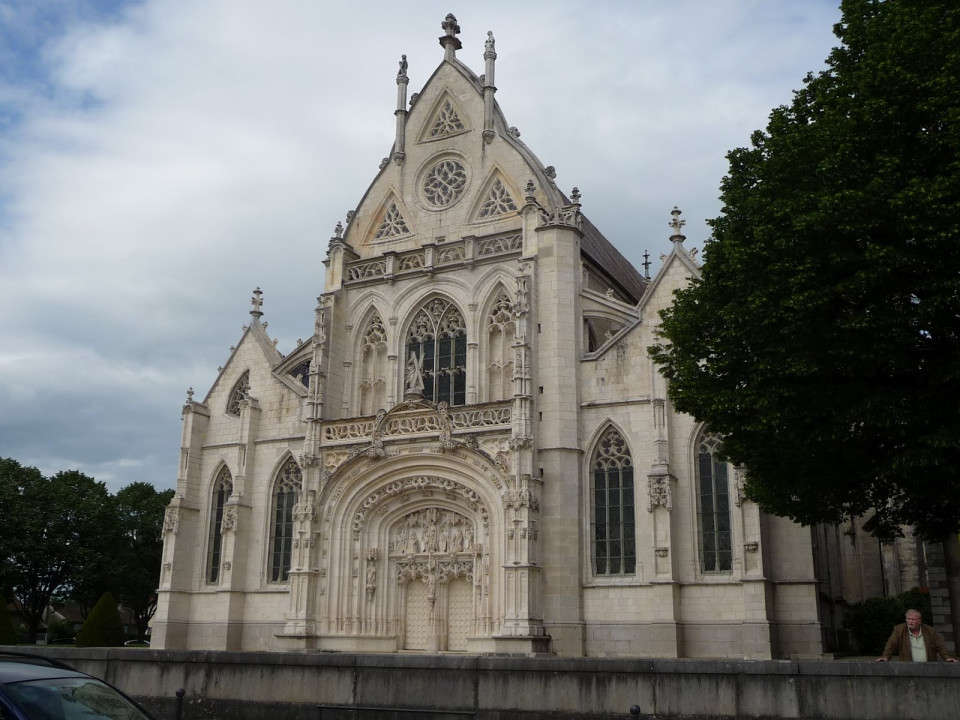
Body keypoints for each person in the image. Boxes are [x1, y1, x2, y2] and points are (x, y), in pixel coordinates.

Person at [876, 609, 958, 662]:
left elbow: (940, 646)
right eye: (908, 619)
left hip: (929, 667)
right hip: (908, 668)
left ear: (919, 621)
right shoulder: (899, 630)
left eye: (913, 619)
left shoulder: (930, 630)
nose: (910, 622)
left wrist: (947, 657)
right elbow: (891, 644)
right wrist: (885, 656)